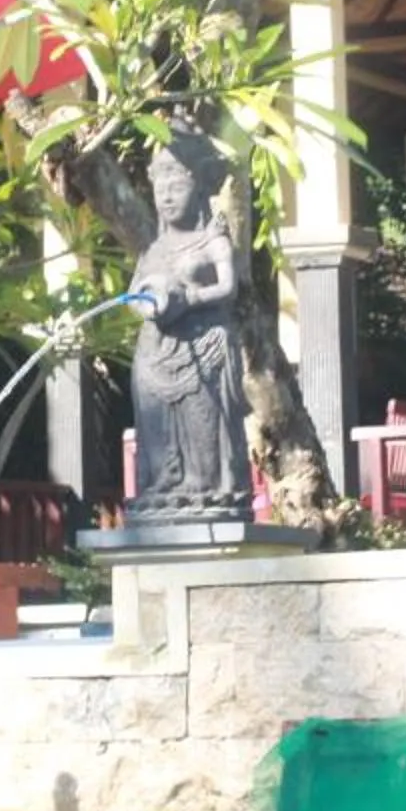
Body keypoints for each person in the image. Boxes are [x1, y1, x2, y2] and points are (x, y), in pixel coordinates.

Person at [126, 127, 252, 520]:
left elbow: (229, 288)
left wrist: (190, 298)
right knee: (155, 423)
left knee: (203, 418)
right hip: (155, 350)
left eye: (176, 186)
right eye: (160, 187)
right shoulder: (153, 249)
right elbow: (132, 295)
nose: (166, 196)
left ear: (198, 189)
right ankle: (162, 484)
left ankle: (206, 486)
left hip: (203, 345)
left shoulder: (212, 240)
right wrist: (148, 306)